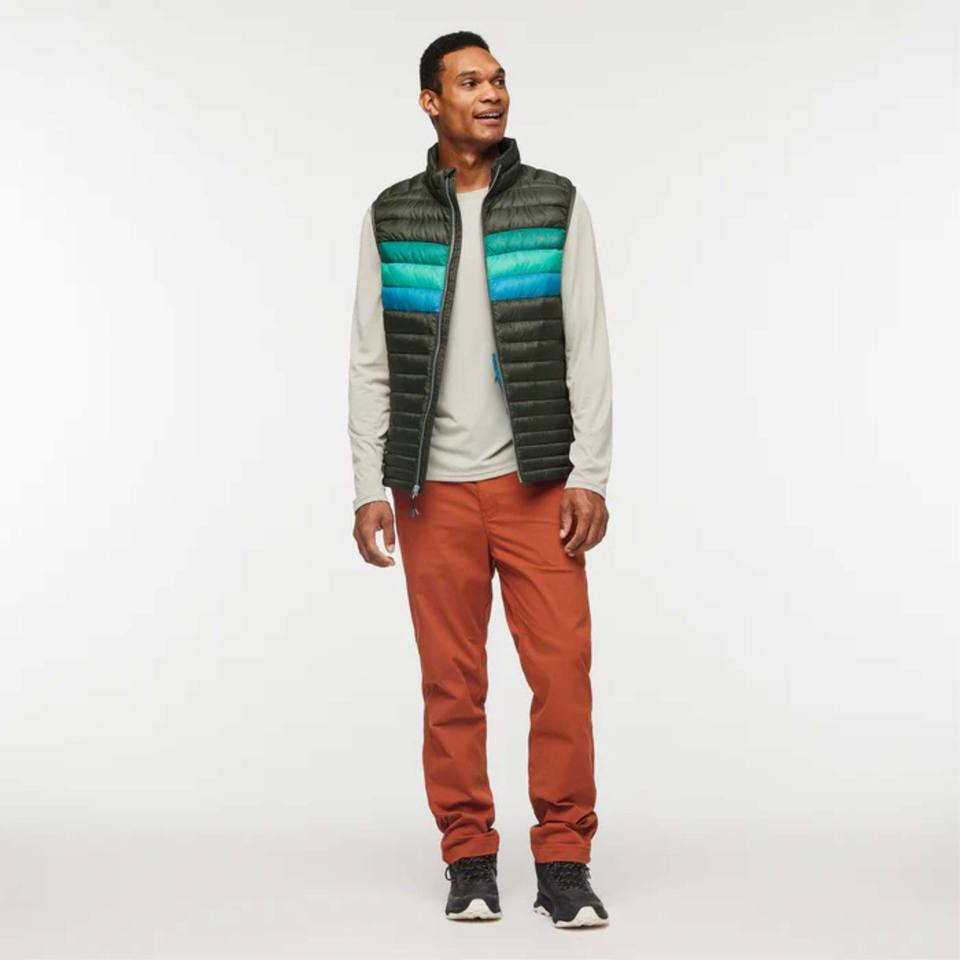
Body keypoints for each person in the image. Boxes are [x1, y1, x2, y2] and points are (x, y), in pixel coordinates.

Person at [347, 30, 613, 929]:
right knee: (451, 685)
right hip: (431, 491)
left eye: (497, 79)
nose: (491, 94)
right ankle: (469, 858)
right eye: (470, 82)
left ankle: (564, 860)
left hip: (537, 481)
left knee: (562, 675)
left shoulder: (553, 201)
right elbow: (370, 359)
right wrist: (369, 483)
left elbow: (587, 342)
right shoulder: (392, 215)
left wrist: (590, 471)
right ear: (433, 102)